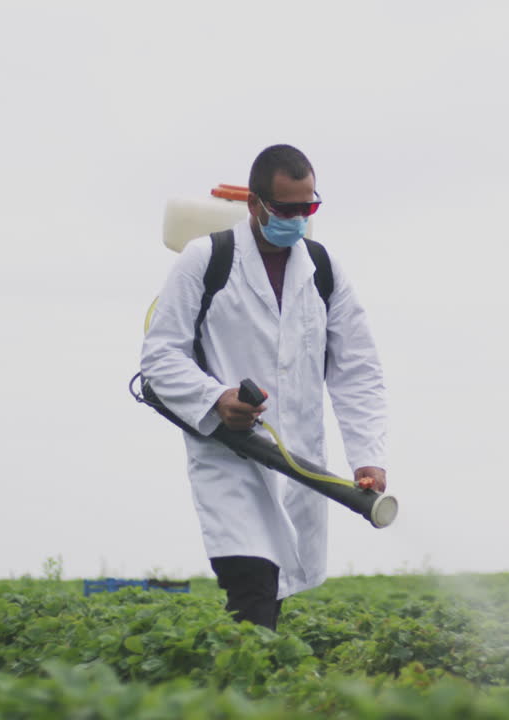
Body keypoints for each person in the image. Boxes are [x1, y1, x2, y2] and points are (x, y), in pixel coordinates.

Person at [139, 144, 387, 630]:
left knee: (271, 594)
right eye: (285, 209)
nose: (297, 219)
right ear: (254, 204)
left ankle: (254, 688)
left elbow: (357, 369)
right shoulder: (206, 259)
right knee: (252, 584)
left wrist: (368, 456)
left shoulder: (324, 270)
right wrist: (219, 398)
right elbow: (159, 357)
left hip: (298, 461)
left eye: (307, 208)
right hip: (230, 457)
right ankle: (249, 694)